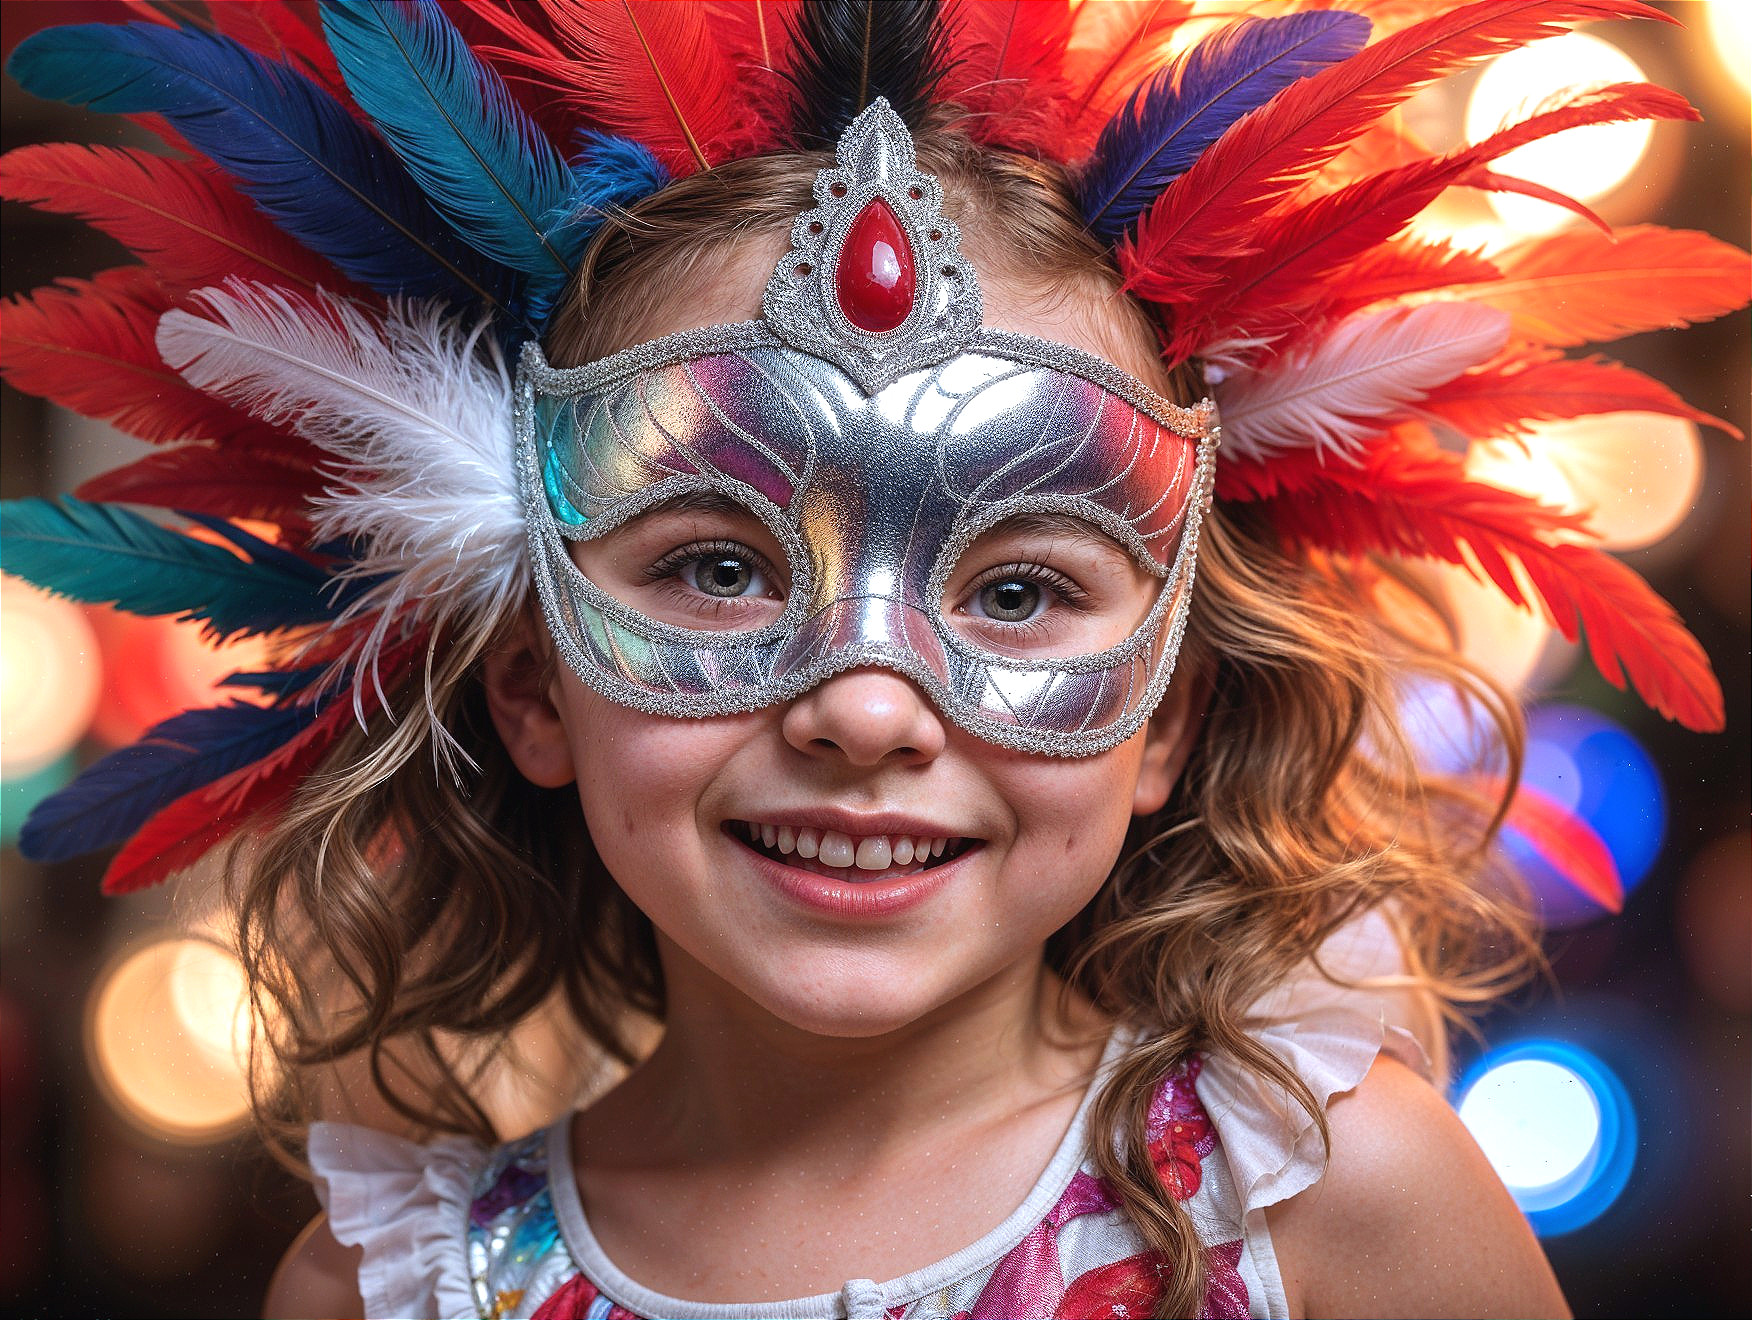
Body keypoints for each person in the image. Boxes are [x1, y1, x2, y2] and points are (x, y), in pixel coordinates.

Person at [2, 3, 1743, 1318]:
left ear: (1169, 713)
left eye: (1018, 591)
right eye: (711, 564)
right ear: (531, 682)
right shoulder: (395, 1286)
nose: (859, 706)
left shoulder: (1334, 1213)